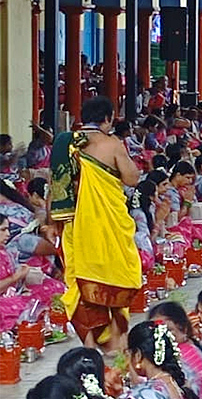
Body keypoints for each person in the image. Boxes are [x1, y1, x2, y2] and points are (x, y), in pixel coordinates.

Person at [52, 96, 141, 351]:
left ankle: (90, 345)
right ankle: (118, 342)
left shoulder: (65, 142)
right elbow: (132, 178)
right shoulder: (112, 143)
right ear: (108, 118)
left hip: (75, 226)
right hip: (108, 226)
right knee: (117, 274)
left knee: (79, 282)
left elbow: (57, 188)